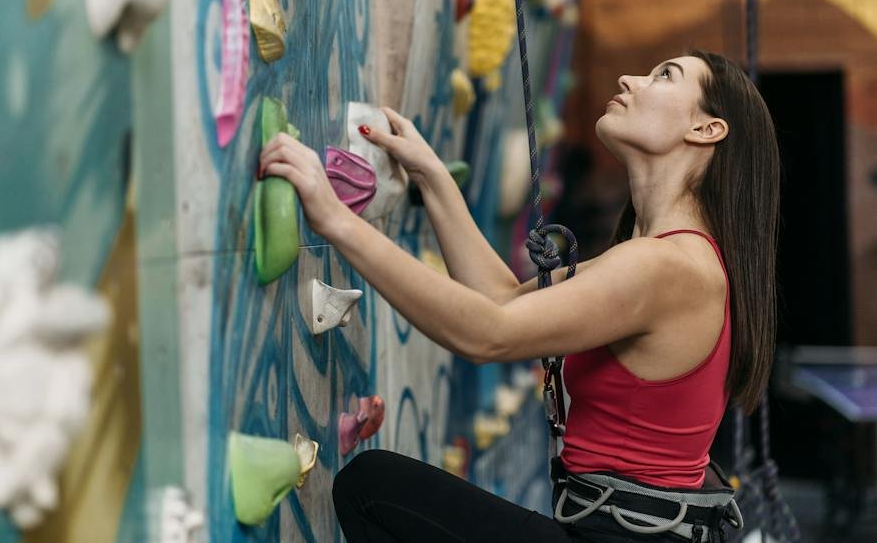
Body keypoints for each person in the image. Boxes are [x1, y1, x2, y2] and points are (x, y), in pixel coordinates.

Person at [257, 50, 780, 541]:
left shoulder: (665, 266)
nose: (631, 80)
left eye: (665, 75)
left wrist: (335, 220)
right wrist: (433, 178)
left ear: (706, 129)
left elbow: (486, 334)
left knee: (372, 487)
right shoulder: (665, 257)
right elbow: (503, 301)